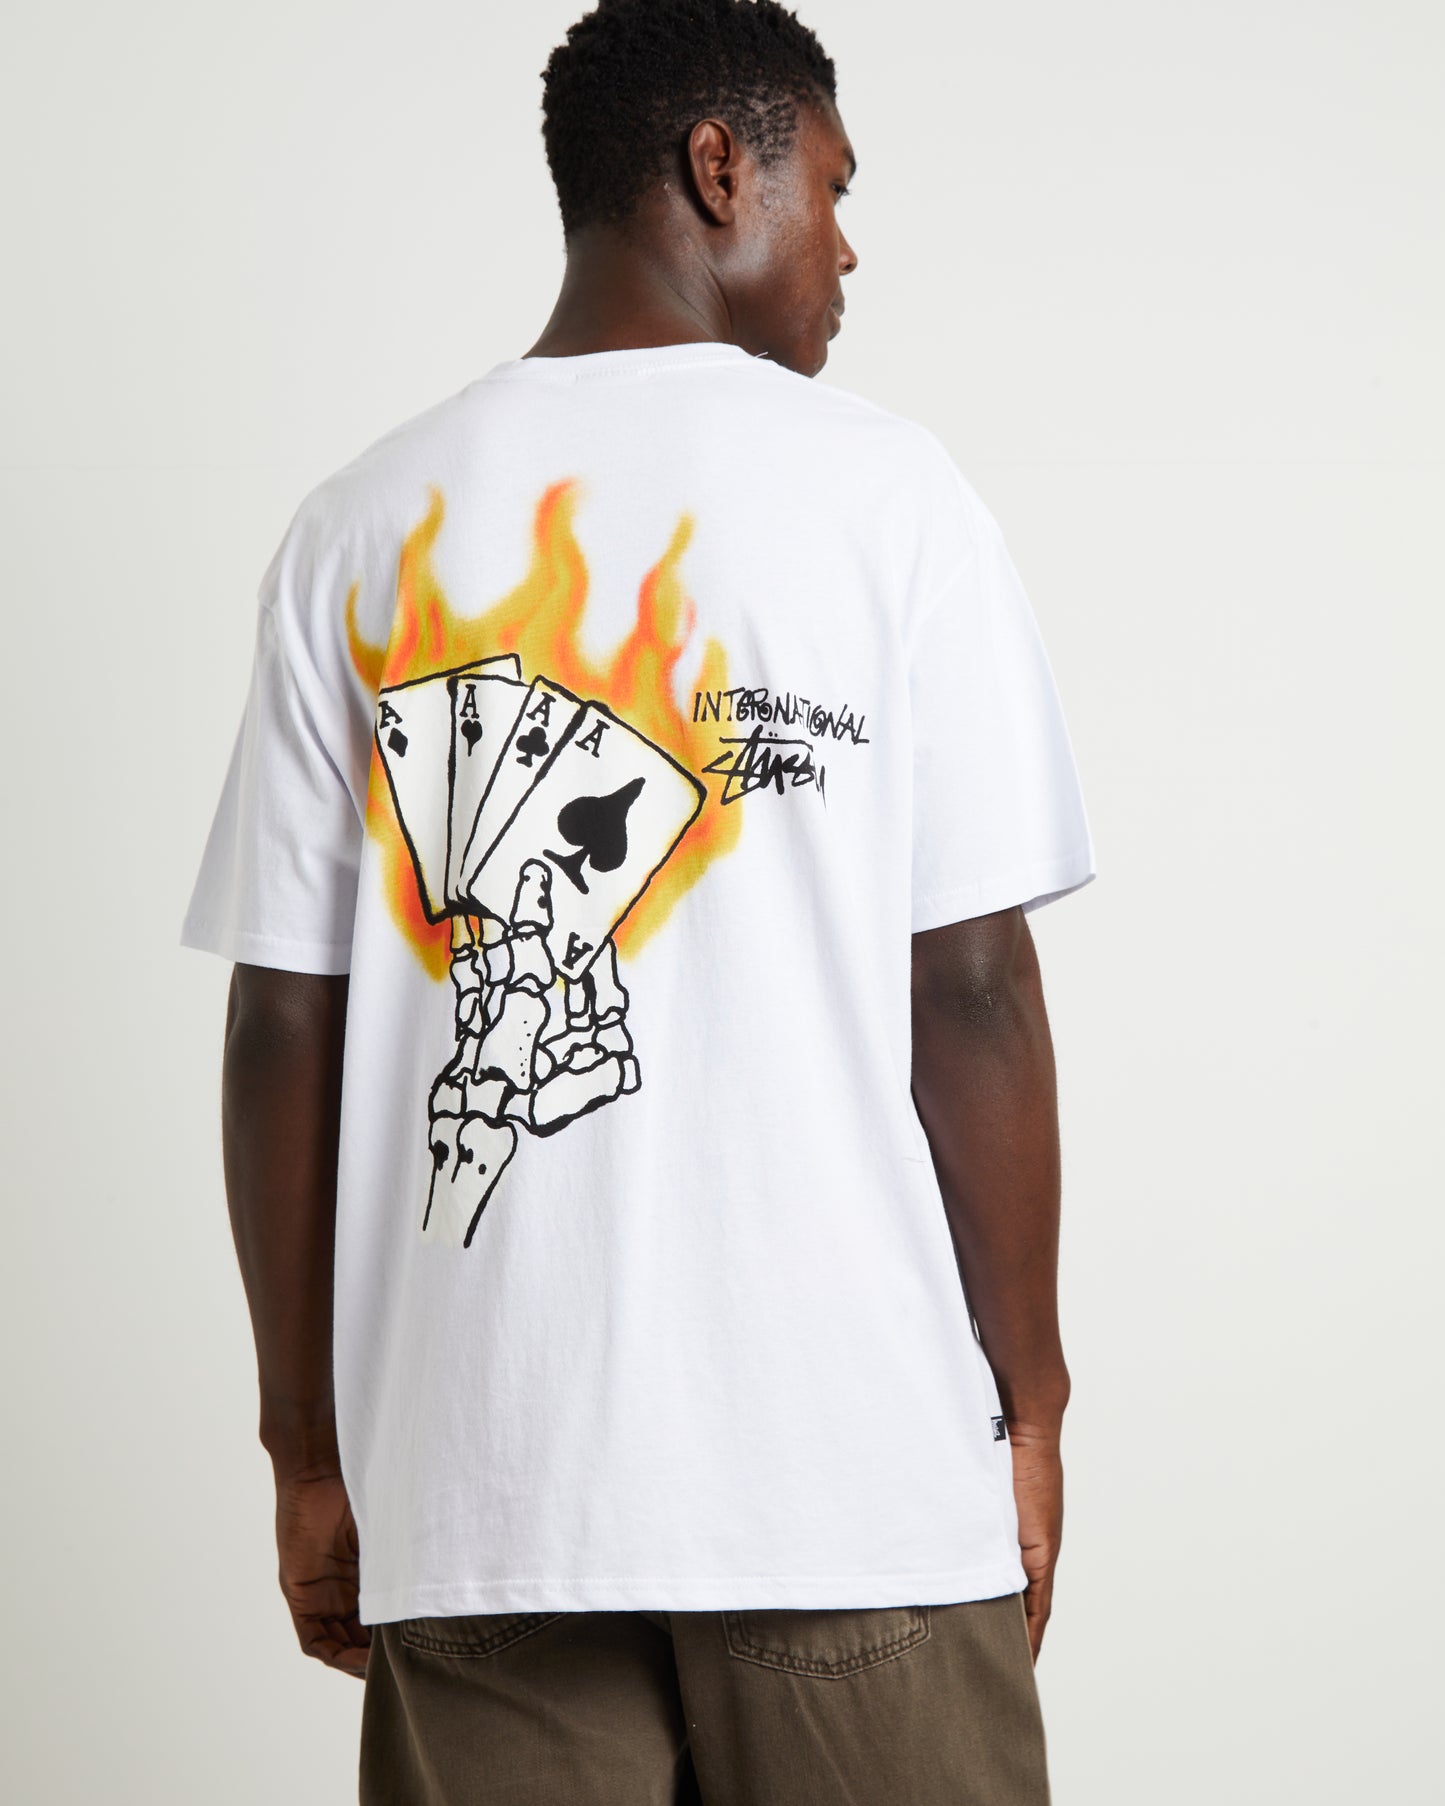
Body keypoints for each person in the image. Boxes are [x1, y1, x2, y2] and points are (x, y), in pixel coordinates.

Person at [180, 2, 1096, 1800]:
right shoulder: (893, 499)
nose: (848, 249)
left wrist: (306, 1444)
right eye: (833, 189)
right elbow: (973, 986)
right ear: (717, 167)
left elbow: (284, 1020)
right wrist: (1035, 1395)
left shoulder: (358, 525)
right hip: (847, 1484)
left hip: (483, 1488)